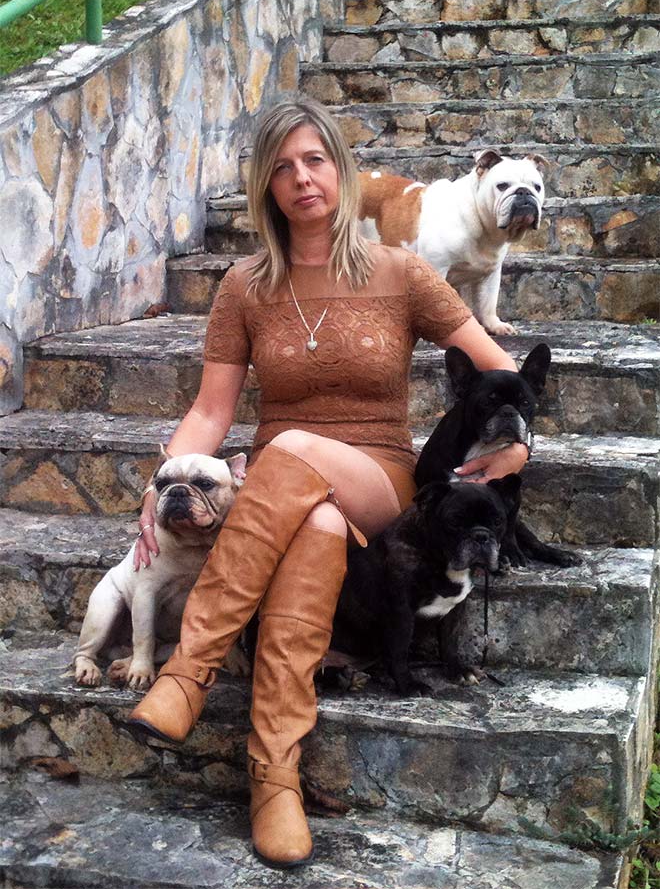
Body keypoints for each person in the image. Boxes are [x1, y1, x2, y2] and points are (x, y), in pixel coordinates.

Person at [127, 97, 529, 869]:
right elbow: (211, 411)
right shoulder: (244, 286)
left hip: (376, 482)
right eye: (282, 167)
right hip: (286, 502)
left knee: (286, 451)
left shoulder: (401, 271)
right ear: (265, 186)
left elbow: (498, 368)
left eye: (315, 160)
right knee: (309, 516)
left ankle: (189, 671)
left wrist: (517, 450)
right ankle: (274, 779)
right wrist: (157, 487)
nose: (302, 179)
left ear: (341, 171)